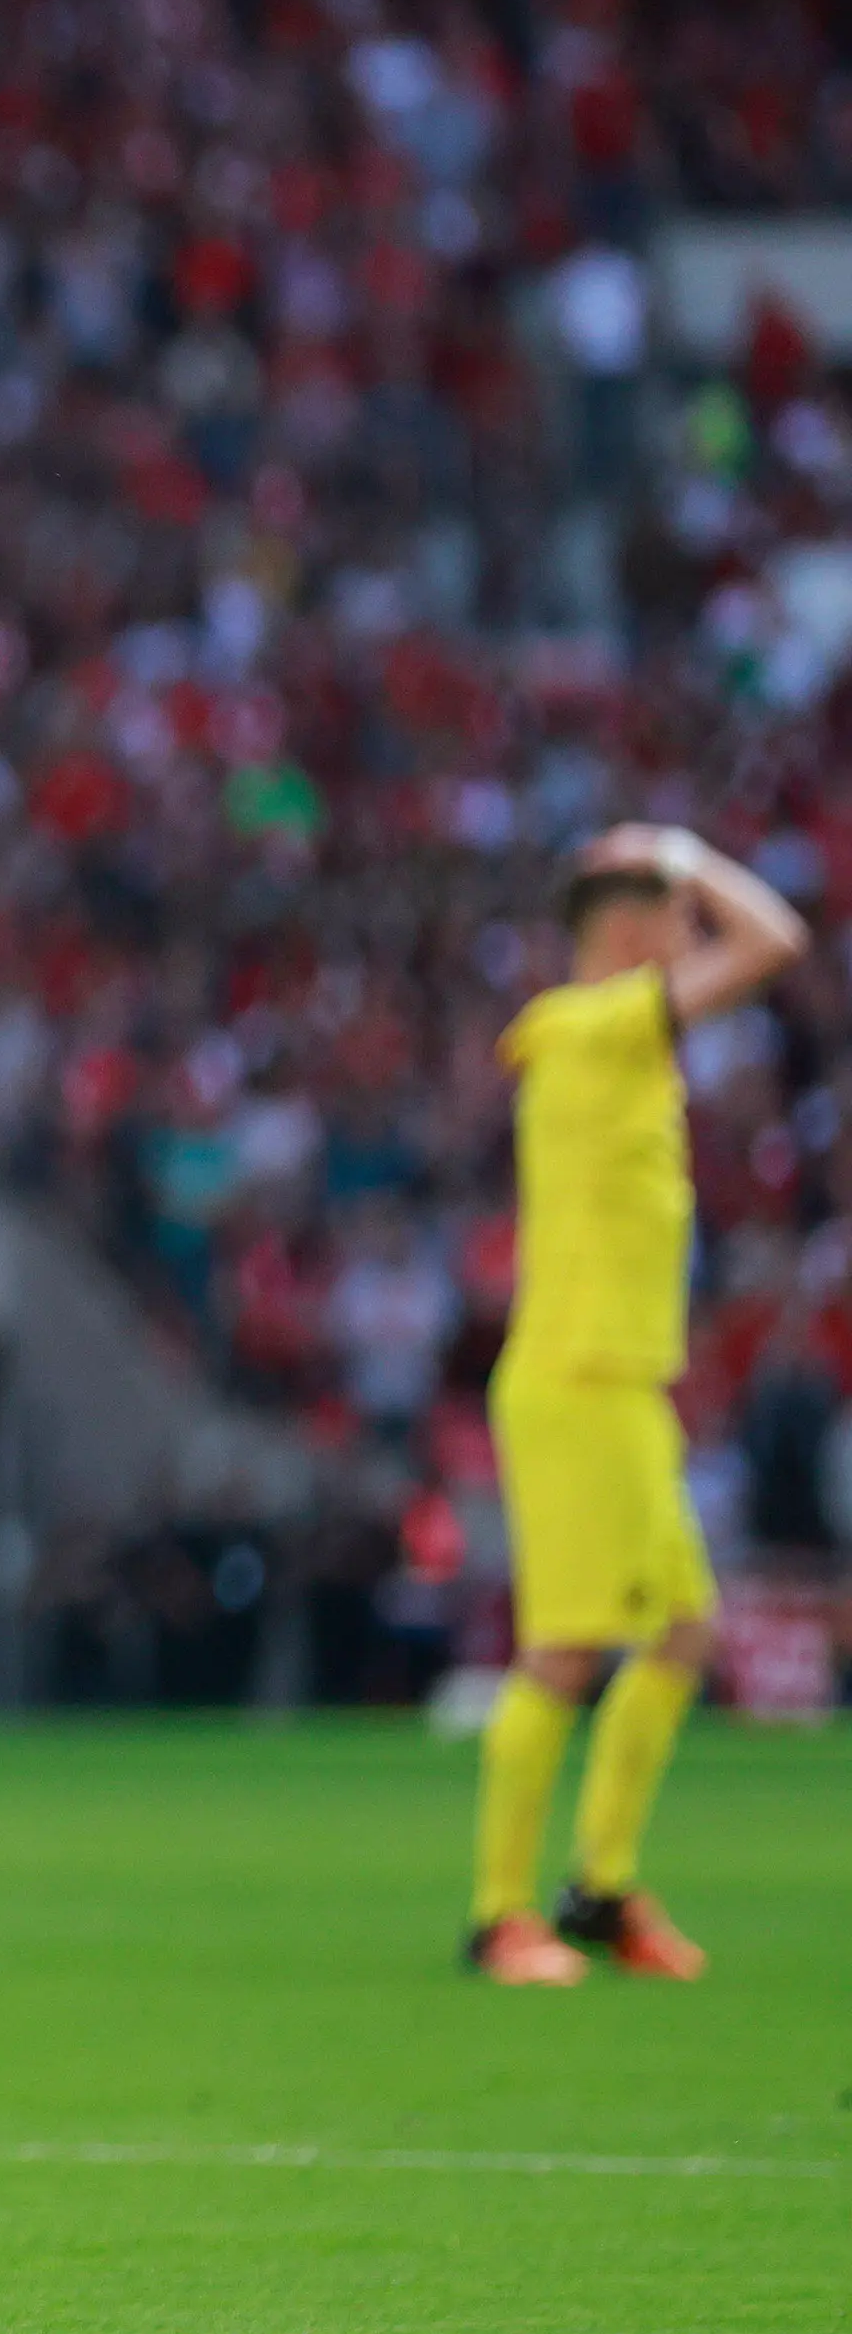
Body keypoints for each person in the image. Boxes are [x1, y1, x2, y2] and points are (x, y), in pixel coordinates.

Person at [465, 824, 804, 1986]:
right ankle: (500, 1916)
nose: (692, 934)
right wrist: (685, 849)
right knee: (566, 1650)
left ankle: (600, 1890)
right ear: (629, 926)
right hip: (576, 1379)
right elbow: (776, 939)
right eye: (674, 913)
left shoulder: (615, 1044)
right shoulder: (592, 1023)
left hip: (622, 1385)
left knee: (684, 1632)